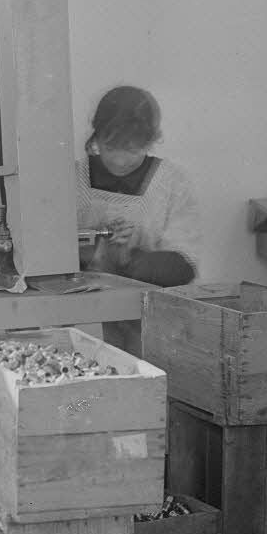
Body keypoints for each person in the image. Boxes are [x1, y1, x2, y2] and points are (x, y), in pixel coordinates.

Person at [76, 85, 202, 356]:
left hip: (147, 320)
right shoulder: (73, 179)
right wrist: (94, 247)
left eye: (132, 150)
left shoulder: (171, 183)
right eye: (110, 147)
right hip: (85, 317)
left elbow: (184, 265)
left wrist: (128, 259)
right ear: (96, 137)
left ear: (151, 141)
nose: (120, 161)